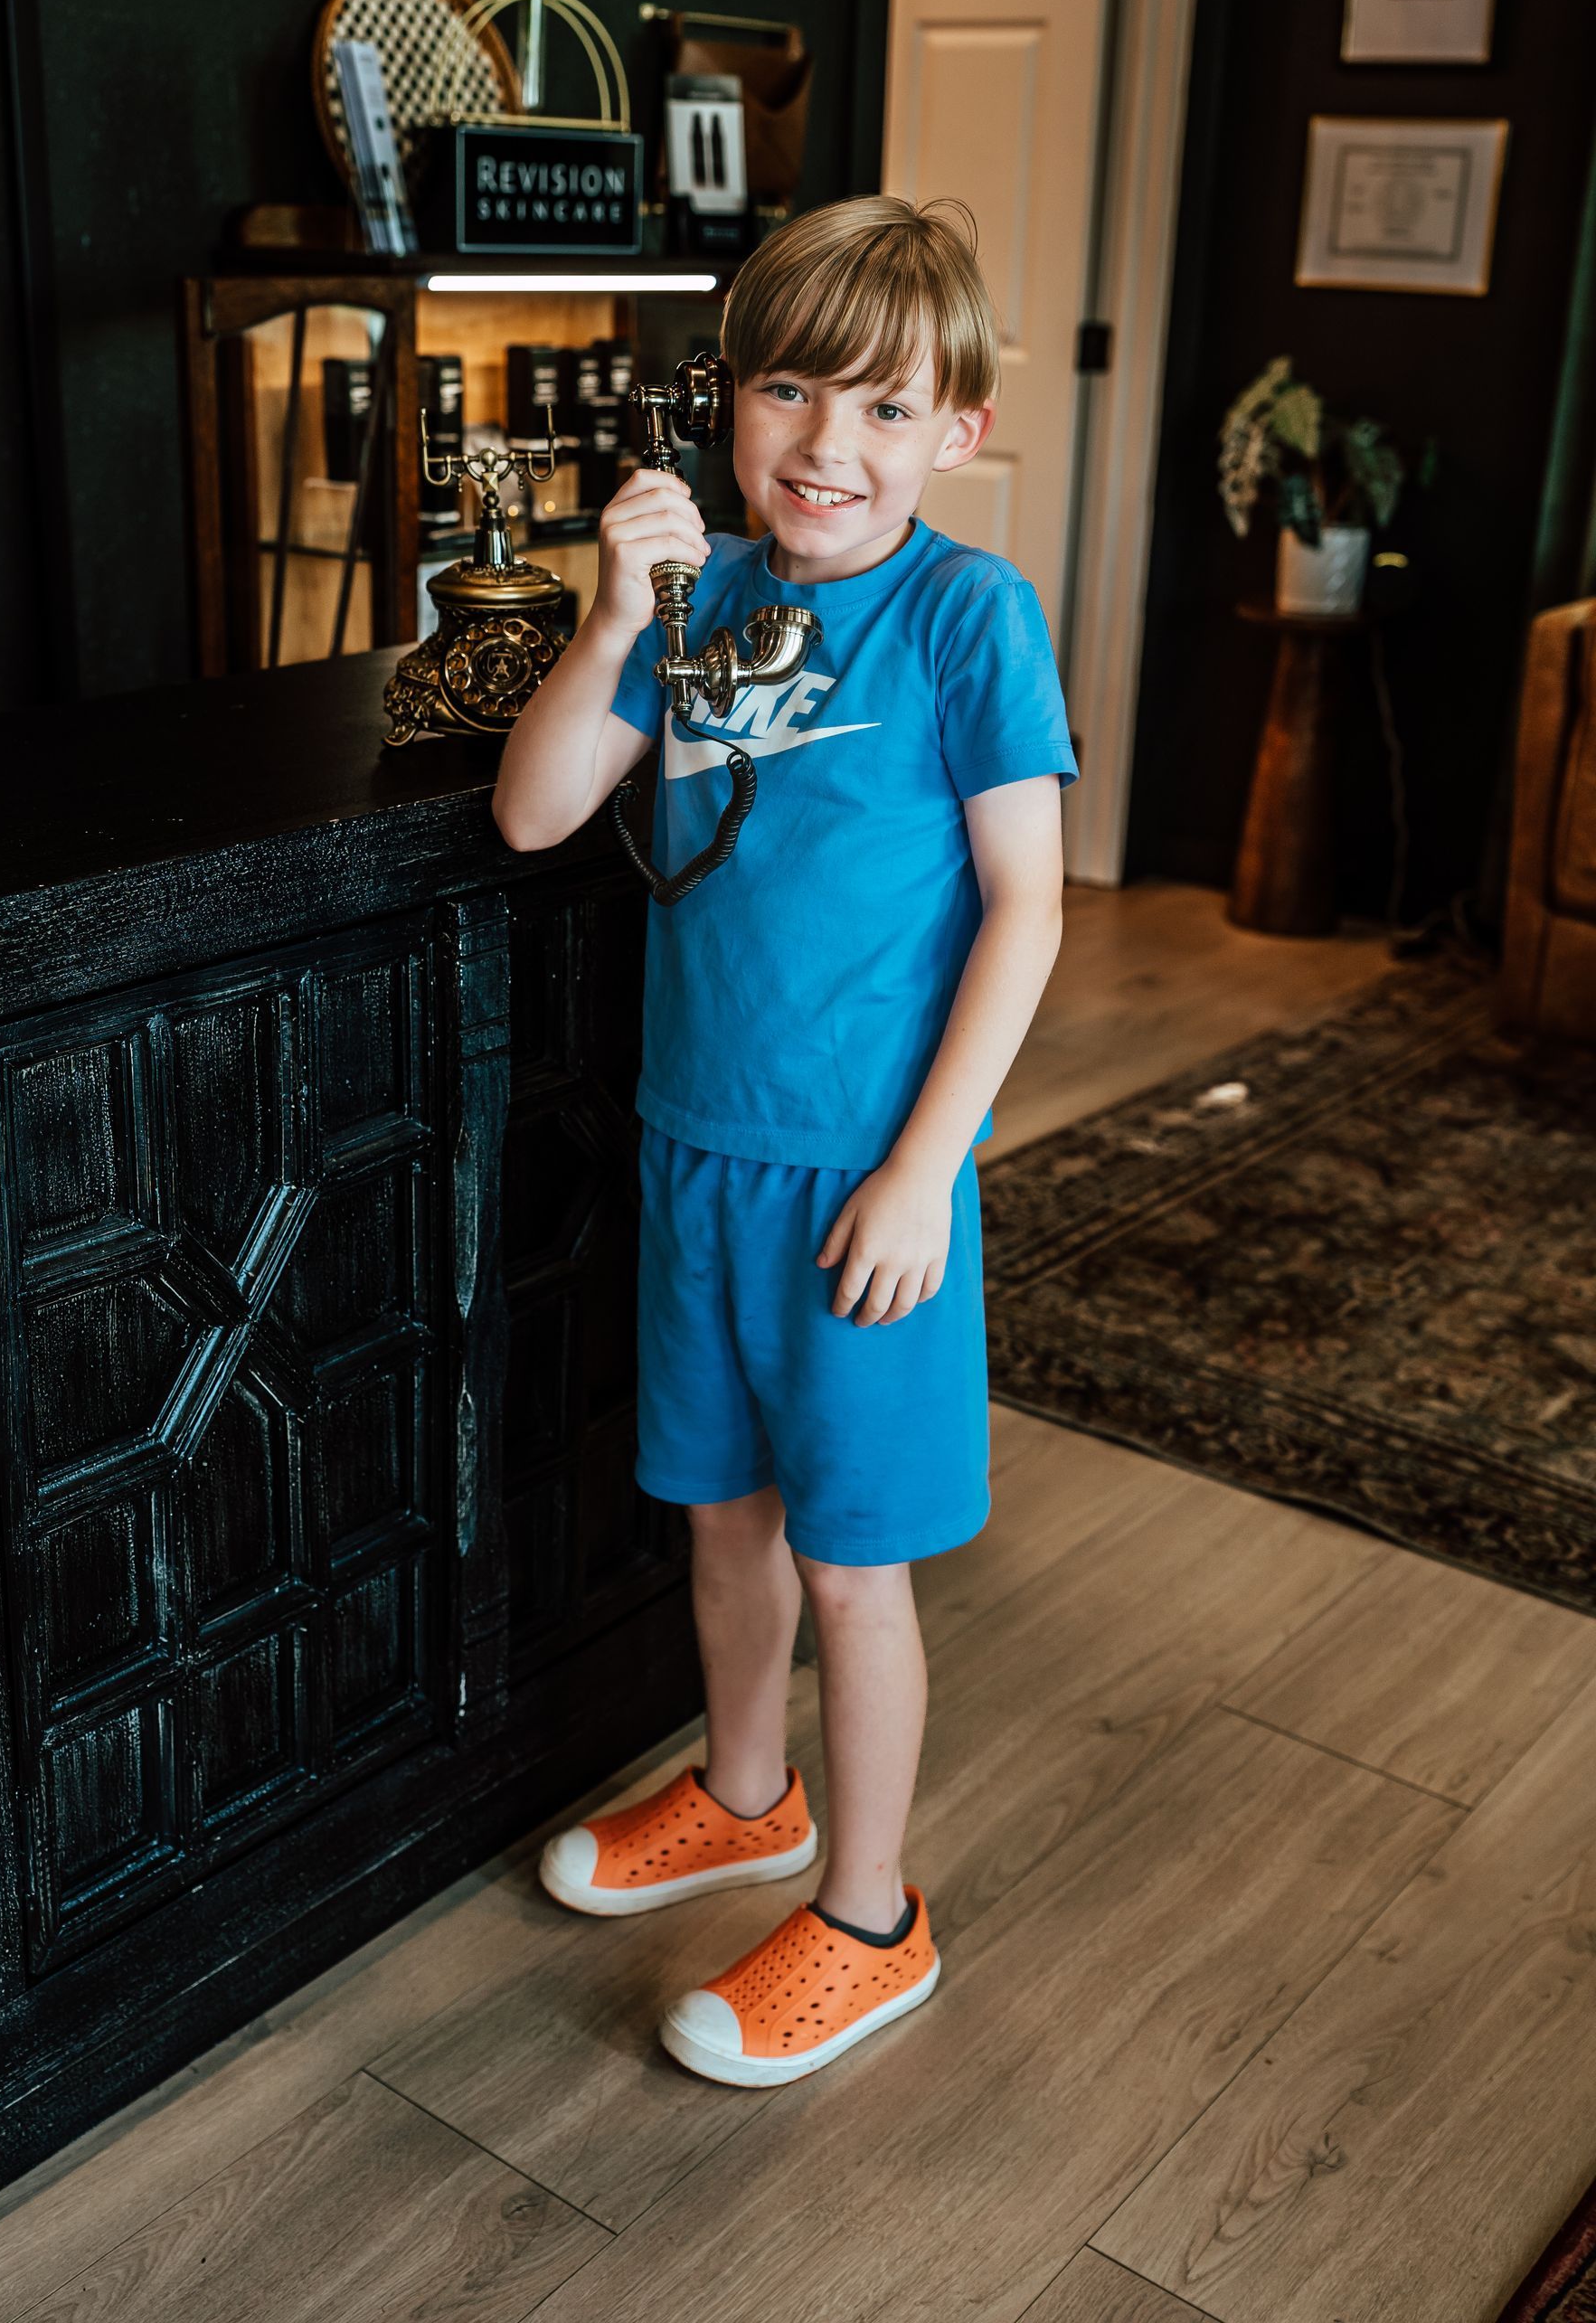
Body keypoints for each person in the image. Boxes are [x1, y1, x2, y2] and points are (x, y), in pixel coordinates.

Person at [492, 194, 1077, 2086]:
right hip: (696, 1154)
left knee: (851, 1563)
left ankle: (874, 1912)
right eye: (794, 394)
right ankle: (750, 1795)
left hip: (863, 1185)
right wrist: (609, 622)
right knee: (722, 1520)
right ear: (723, 404)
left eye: (889, 412)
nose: (832, 448)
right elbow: (533, 814)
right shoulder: (703, 600)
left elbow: (1028, 910)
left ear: (959, 433)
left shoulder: (971, 617)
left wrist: (926, 1169)